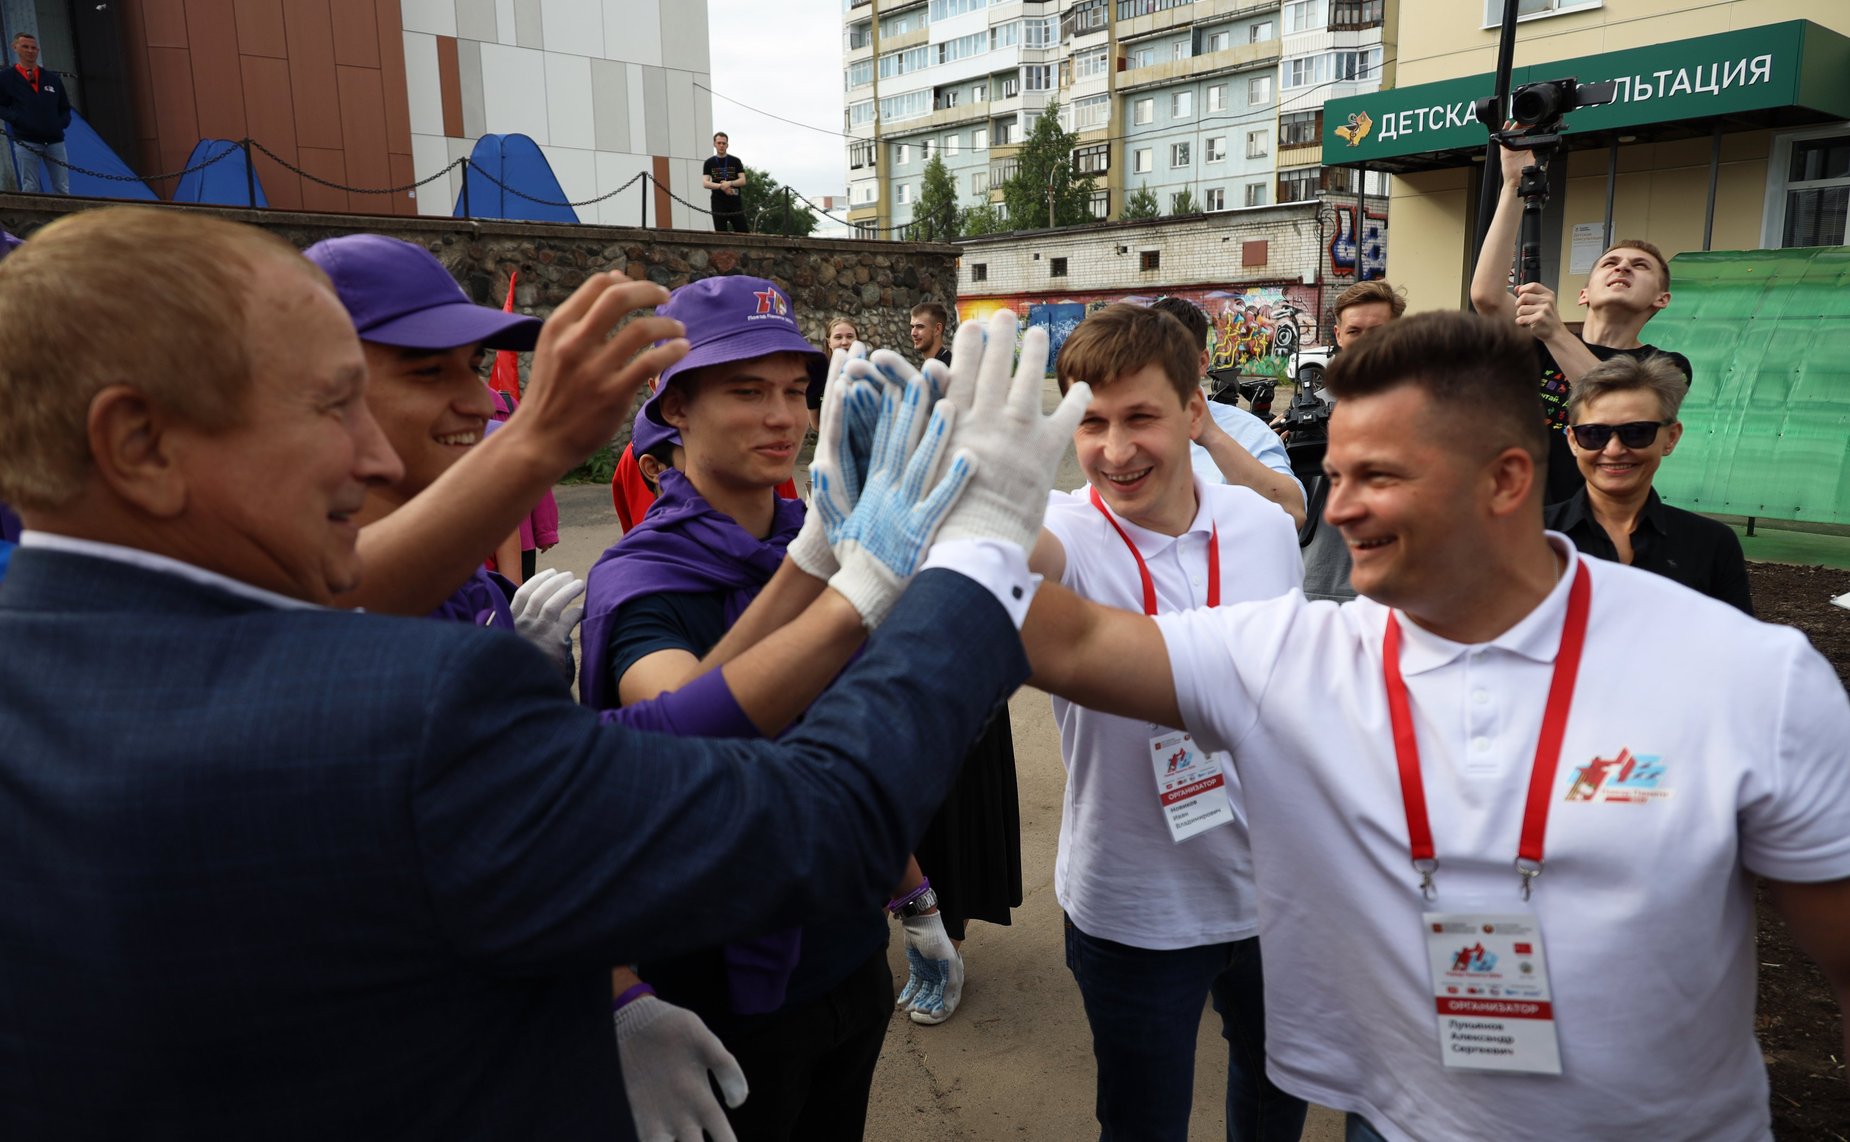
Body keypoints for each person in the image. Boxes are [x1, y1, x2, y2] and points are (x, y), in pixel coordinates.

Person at [0, 205, 1087, 1140]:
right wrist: (973, 548)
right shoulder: (402, 709)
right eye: (337, 403)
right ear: (138, 444)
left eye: (792, 386)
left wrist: (813, 559)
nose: (377, 456)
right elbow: (800, 816)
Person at [1022, 310, 1850, 1142]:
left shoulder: (1751, 679)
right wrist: (980, 520)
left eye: (1377, 476)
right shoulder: (1301, 653)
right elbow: (1079, 639)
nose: (1336, 512)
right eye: (1334, 476)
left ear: (1506, 479)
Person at [1026, 303, 1308, 1142]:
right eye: (1092, 422)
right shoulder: (1062, 531)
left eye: (1141, 417)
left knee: (1275, 1096)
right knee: (1145, 1122)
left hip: (1277, 889)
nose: (1116, 451)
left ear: (1194, 411)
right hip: (1135, 903)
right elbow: (1010, 559)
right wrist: (987, 506)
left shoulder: (1261, 525)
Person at [1471, 143, 1692, 504]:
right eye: (1610, 263)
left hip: (1597, 521)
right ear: (1584, 293)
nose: (1622, 268)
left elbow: (1618, 402)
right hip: (1516, 515)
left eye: (1640, 266)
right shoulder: (1538, 342)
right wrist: (1513, 184)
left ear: (1661, 299)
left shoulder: (1667, 367)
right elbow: (1487, 296)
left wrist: (1555, 331)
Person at [1544, 354, 1752, 614]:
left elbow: (1734, 646)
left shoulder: (1711, 545)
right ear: (1573, 441)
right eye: (1594, 434)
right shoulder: (1531, 537)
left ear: (1671, 437)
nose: (1614, 449)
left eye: (1637, 432)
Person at [1149, 296, 1305, 528]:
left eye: (1173, 356)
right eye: (1147, 356)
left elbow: (1292, 511)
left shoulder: (1246, 431)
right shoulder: (1120, 430)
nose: (1158, 368)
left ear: (1202, 362)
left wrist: (1211, 436)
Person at [1298, 279, 1405, 602]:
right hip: (1318, 581)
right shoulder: (1308, 407)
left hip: (1397, 588)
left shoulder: (1427, 407)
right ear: (1339, 336)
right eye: (1355, 332)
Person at [0, 33, 71, 196]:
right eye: (25, 47)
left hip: (55, 141)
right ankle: (33, 222)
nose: (30, 51)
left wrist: (60, 123)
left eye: (33, 48)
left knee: (62, 188)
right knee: (30, 187)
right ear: (15, 48)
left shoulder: (51, 79)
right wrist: (16, 119)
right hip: (26, 140)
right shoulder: (6, 78)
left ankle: (62, 221)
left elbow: (64, 107)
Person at [809, 318, 860, 435]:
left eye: (850, 336)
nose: (844, 342)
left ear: (857, 340)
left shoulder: (869, 373)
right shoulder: (818, 376)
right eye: (838, 337)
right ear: (829, 343)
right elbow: (816, 425)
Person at [704, 132, 748, 233]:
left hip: (735, 203)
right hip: (718, 203)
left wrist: (729, 183)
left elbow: (743, 180)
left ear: (727, 145)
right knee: (721, 234)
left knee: (743, 232)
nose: (721, 145)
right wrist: (721, 186)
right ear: (714, 144)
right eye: (719, 143)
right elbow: (705, 183)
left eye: (724, 143)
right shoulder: (709, 162)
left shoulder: (735, 161)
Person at [910, 302, 953, 366]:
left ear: (938, 329)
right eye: (912, 327)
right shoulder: (937, 364)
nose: (913, 333)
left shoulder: (949, 368)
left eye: (920, 327)